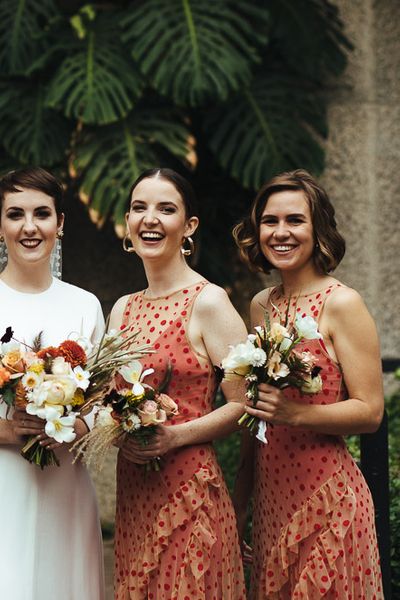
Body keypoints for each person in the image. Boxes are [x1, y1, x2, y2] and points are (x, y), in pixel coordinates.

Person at [233, 169, 384, 599]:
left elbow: (370, 411)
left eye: (294, 220)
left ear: (318, 228)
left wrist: (296, 413)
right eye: (269, 221)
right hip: (272, 503)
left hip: (328, 500)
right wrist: (240, 504)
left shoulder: (343, 304)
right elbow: (256, 415)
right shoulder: (261, 304)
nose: (280, 233)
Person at [109, 168, 247, 599]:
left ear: (188, 227)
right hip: (135, 492)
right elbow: (111, 401)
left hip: (190, 491)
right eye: (139, 207)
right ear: (128, 224)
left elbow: (245, 403)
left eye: (165, 209)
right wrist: (119, 431)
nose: (150, 218)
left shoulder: (209, 301)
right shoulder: (122, 309)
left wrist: (173, 436)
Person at [0, 167, 105, 600]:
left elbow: (102, 404)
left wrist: (77, 427)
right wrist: (10, 431)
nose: (30, 226)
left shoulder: (84, 305)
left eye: (42, 213)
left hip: (65, 485)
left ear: (60, 223)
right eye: (15, 214)